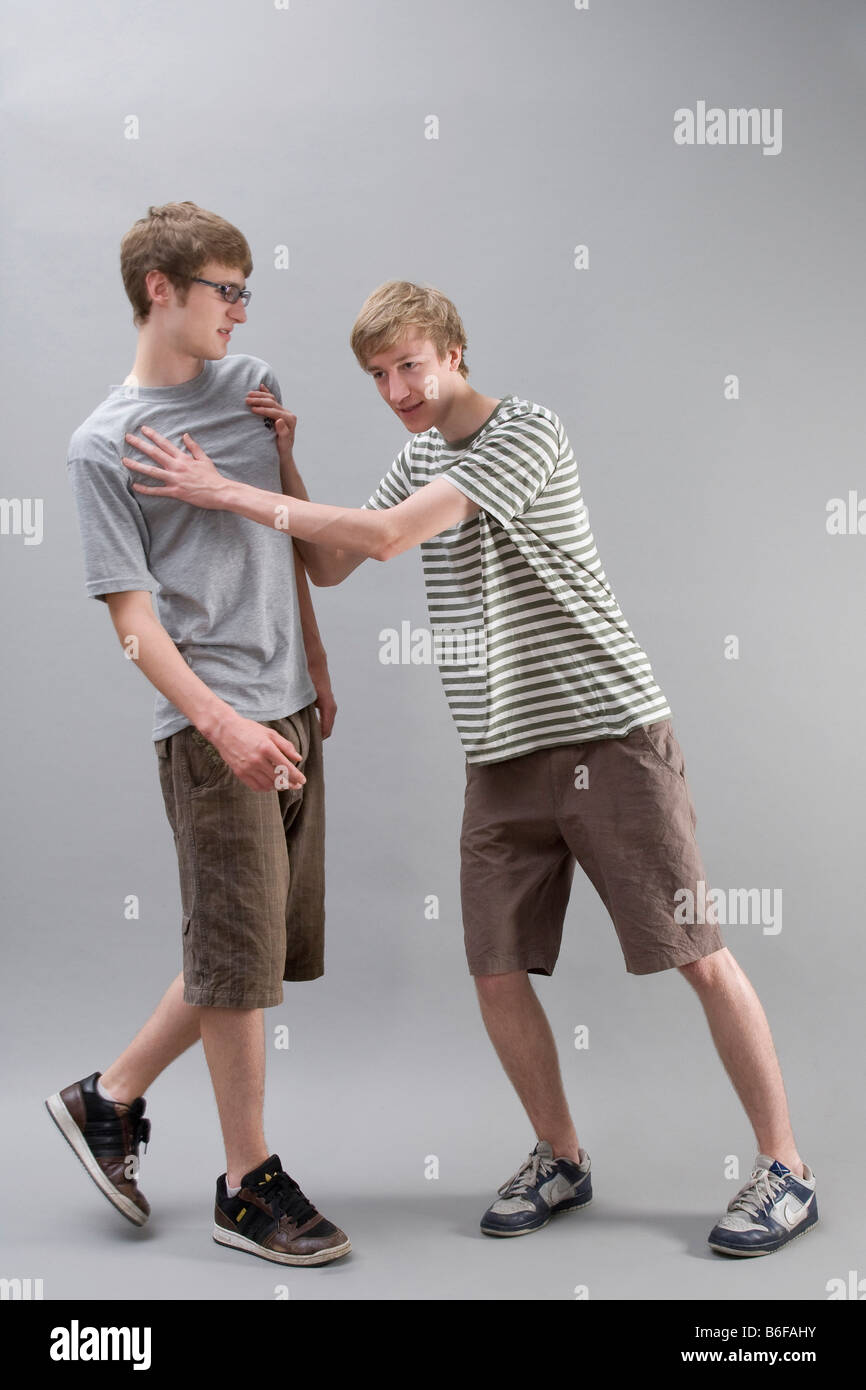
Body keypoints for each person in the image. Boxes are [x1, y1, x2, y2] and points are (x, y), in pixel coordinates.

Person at [121, 278, 818, 1258]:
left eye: (409, 364)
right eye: (377, 375)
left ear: (452, 352)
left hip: (605, 736)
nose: (398, 389)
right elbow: (329, 563)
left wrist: (226, 488)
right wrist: (282, 454)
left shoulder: (526, 430)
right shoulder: (414, 454)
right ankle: (560, 1155)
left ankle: (785, 1168)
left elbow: (388, 535)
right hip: (497, 755)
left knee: (696, 952)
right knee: (495, 972)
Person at [48, 201, 351, 1267]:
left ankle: (108, 1096)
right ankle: (245, 1183)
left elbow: (299, 548)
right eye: (225, 288)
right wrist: (221, 725)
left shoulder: (249, 384)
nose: (241, 308)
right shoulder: (102, 447)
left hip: (288, 708)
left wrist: (310, 663)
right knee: (235, 954)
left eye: (244, 290)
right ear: (159, 290)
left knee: (247, 948)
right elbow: (133, 622)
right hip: (211, 722)